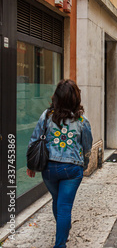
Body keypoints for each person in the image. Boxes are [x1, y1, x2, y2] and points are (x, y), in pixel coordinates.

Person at [27, 79, 93, 248]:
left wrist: (31, 165)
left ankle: (63, 229)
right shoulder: (82, 120)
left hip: (49, 169)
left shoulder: (47, 116)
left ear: (57, 97)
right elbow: (87, 146)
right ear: (75, 98)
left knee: (57, 201)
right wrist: (84, 164)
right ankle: (60, 243)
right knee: (64, 207)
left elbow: (34, 140)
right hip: (72, 170)